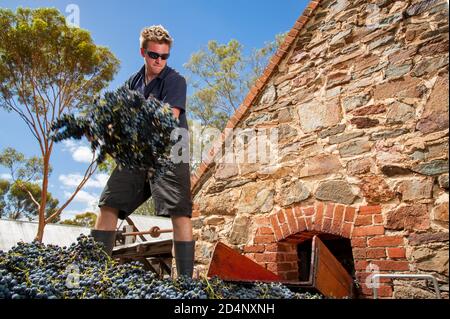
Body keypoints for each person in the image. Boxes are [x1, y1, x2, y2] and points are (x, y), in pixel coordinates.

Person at [91, 25, 195, 278]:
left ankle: (184, 285)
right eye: (154, 55)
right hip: (138, 152)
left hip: (169, 151)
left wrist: (132, 120)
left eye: (164, 56)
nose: (159, 60)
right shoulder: (132, 83)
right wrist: (108, 127)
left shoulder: (175, 81)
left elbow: (168, 117)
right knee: (109, 203)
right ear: (143, 53)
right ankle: (92, 274)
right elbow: (120, 117)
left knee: (179, 212)